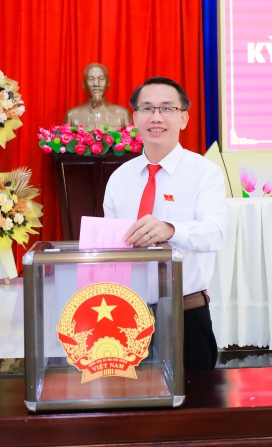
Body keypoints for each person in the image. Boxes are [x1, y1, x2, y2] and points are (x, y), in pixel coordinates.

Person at [103, 76, 227, 371]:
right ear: (135, 118)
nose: (156, 117)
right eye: (147, 108)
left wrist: (171, 229)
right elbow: (110, 245)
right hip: (125, 315)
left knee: (194, 397)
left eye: (167, 109)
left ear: (184, 118)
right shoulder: (120, 178)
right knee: (129, 397)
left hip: (185, 315)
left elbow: (215, 233)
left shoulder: (205, 173)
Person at [64, 63, 132, 131]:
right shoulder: (72, 115)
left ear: (108, 83)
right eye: (91, 79)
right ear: (84, 85)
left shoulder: (123, 114)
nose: (96, 84)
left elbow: (132, 135)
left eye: (101, 79)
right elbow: (64, 136)